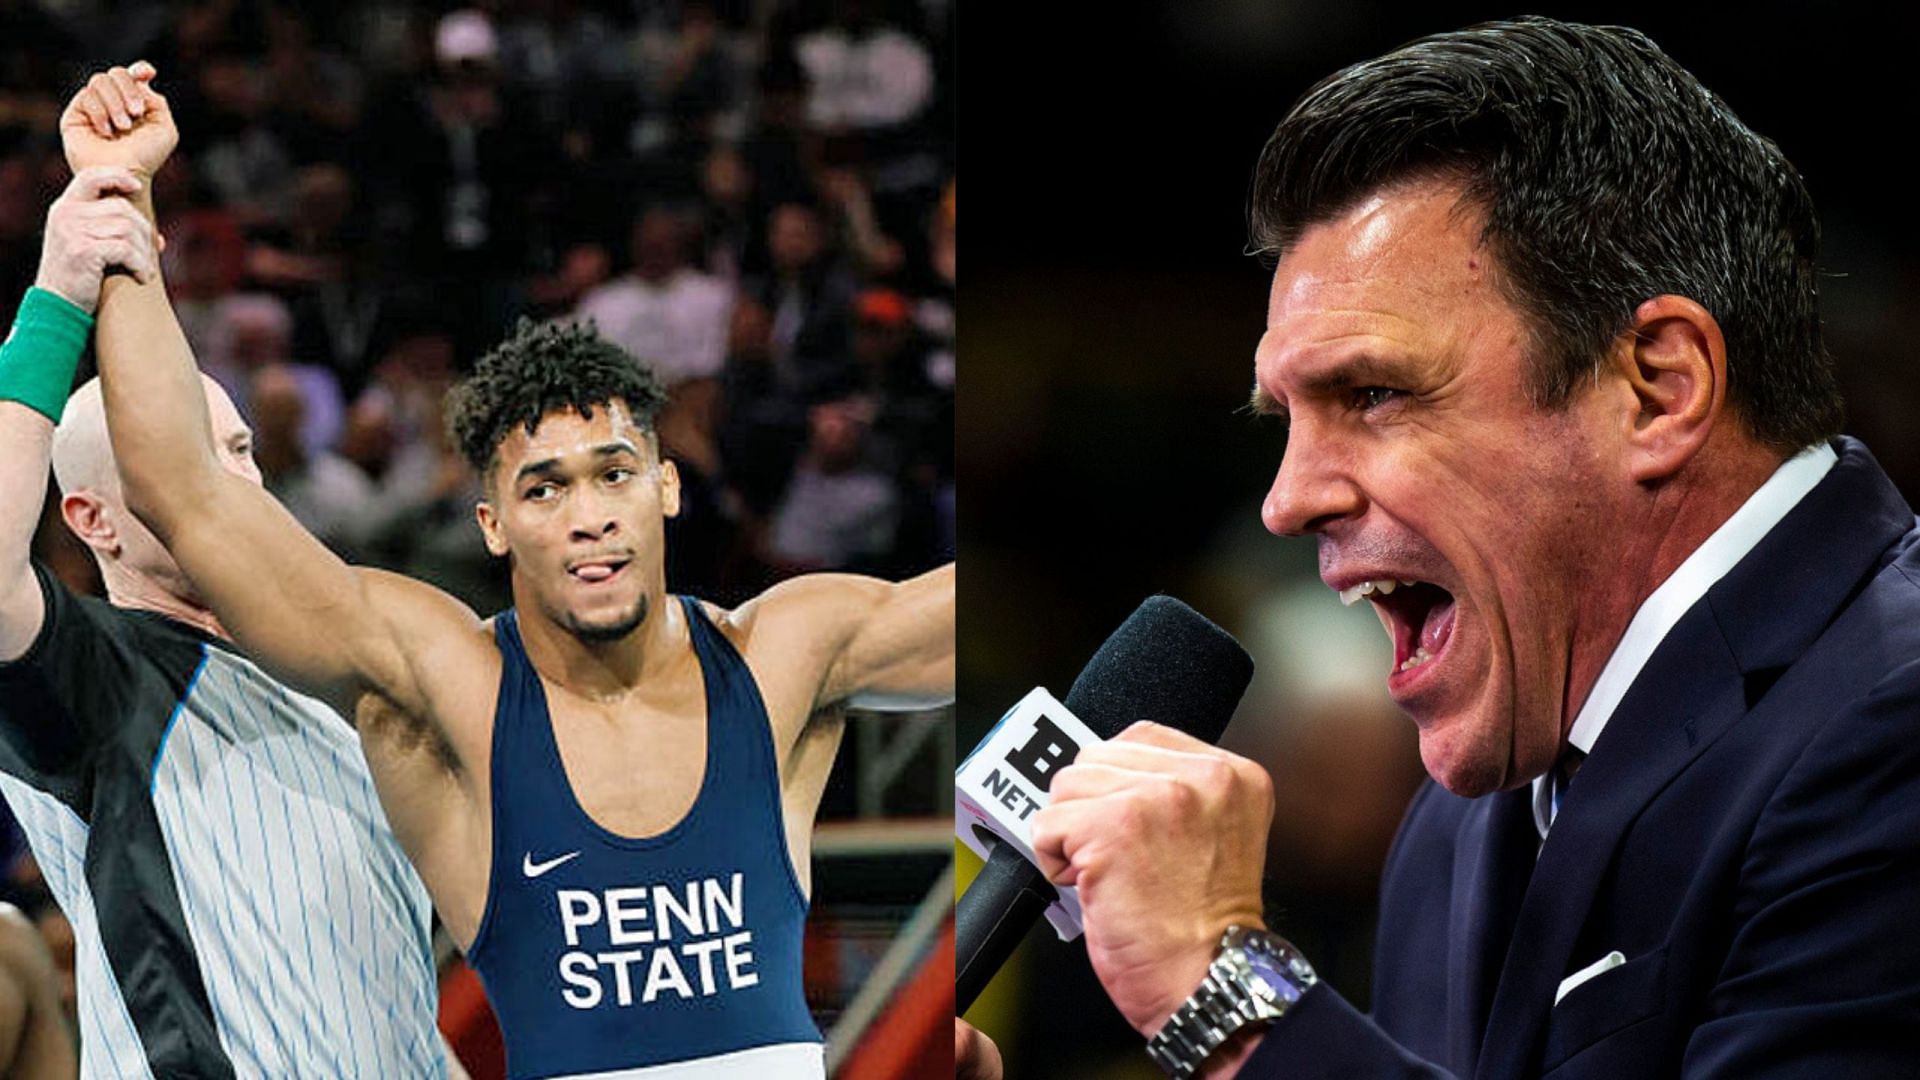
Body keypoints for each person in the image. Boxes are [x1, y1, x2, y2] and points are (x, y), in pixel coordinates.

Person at [961, 17, 1920, 1080]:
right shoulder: (1457, 826)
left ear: (1658, 387)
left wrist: (1228, 995)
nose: (1286, 502)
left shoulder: (1893, 721)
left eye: (1373, 394)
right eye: (1284, 418)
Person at [70, 63, 955, 1078]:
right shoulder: (449, 686)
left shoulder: (790, 651)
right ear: (494, 524)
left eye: (613, 474)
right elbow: (186, 490)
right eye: (544, 490)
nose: (587, 518)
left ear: (666, 487)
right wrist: (120, 206)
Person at [0, 170, 456, 1072]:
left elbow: (373, 985)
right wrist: (61, 290)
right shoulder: (97, 678)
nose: (231, 484)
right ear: (92, 519)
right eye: (183, 460)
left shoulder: (335, 679)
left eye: (239, 451)